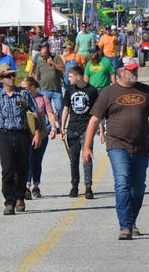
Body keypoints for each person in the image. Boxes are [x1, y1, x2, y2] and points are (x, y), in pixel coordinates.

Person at [82, 59, 149, 240]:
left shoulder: (145, 91)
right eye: (131, 70)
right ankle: (125, 226)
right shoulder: (108, 93)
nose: (135, 72)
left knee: (138, 187)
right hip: (117, 145)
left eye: (136, 69)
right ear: (121, 72)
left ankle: (131, 220)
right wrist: (87, 147)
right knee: (122, 182)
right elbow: (94, 120)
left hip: (141, 146)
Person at [0, 63, 44, 215]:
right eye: (8, 76)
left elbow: (35, 114)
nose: (12, 78)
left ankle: (20, 197)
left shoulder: (24, 95)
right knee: (7, 170)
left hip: (22, 135)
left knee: (22, 168)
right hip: (5, 135)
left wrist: (37, 133)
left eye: (13, 75)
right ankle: (9, 201)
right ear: (2, 80)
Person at [61, 65, 101, 199]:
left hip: (86, 129)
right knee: (73, 160)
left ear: (78, 77)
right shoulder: (69, 90)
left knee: (87, 158)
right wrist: (62, 127)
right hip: (72, 129)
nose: (69, 79)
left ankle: (88, 187)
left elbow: (97, 112)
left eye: (71, 76)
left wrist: (101, 130)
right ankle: (74, 186)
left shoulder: (92, 91)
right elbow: (66, 109)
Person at [21, 77, 58, 200]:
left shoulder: (43, 98)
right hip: (27, 135)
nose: (23, 90)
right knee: (28, 160)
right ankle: (26, 186)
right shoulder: (21, 99)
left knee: (37, 160)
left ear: (32, 87)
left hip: (42, 134)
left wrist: (53, 127)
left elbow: (50, 113)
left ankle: (36, 185)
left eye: (25, 87)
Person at [30, 44, 65, 119]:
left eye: (44, 55)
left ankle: (60, 125)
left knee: (59, 108)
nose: (43, 57)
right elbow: (37, 76)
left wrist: (53, 63)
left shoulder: (56, 58)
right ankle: (49, 127)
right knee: (46, 110)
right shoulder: (39, 61)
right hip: (44, 89)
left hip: (57, 89)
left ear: (48, 52)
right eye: (41, 55)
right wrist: (35, 86)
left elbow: (63, 69)